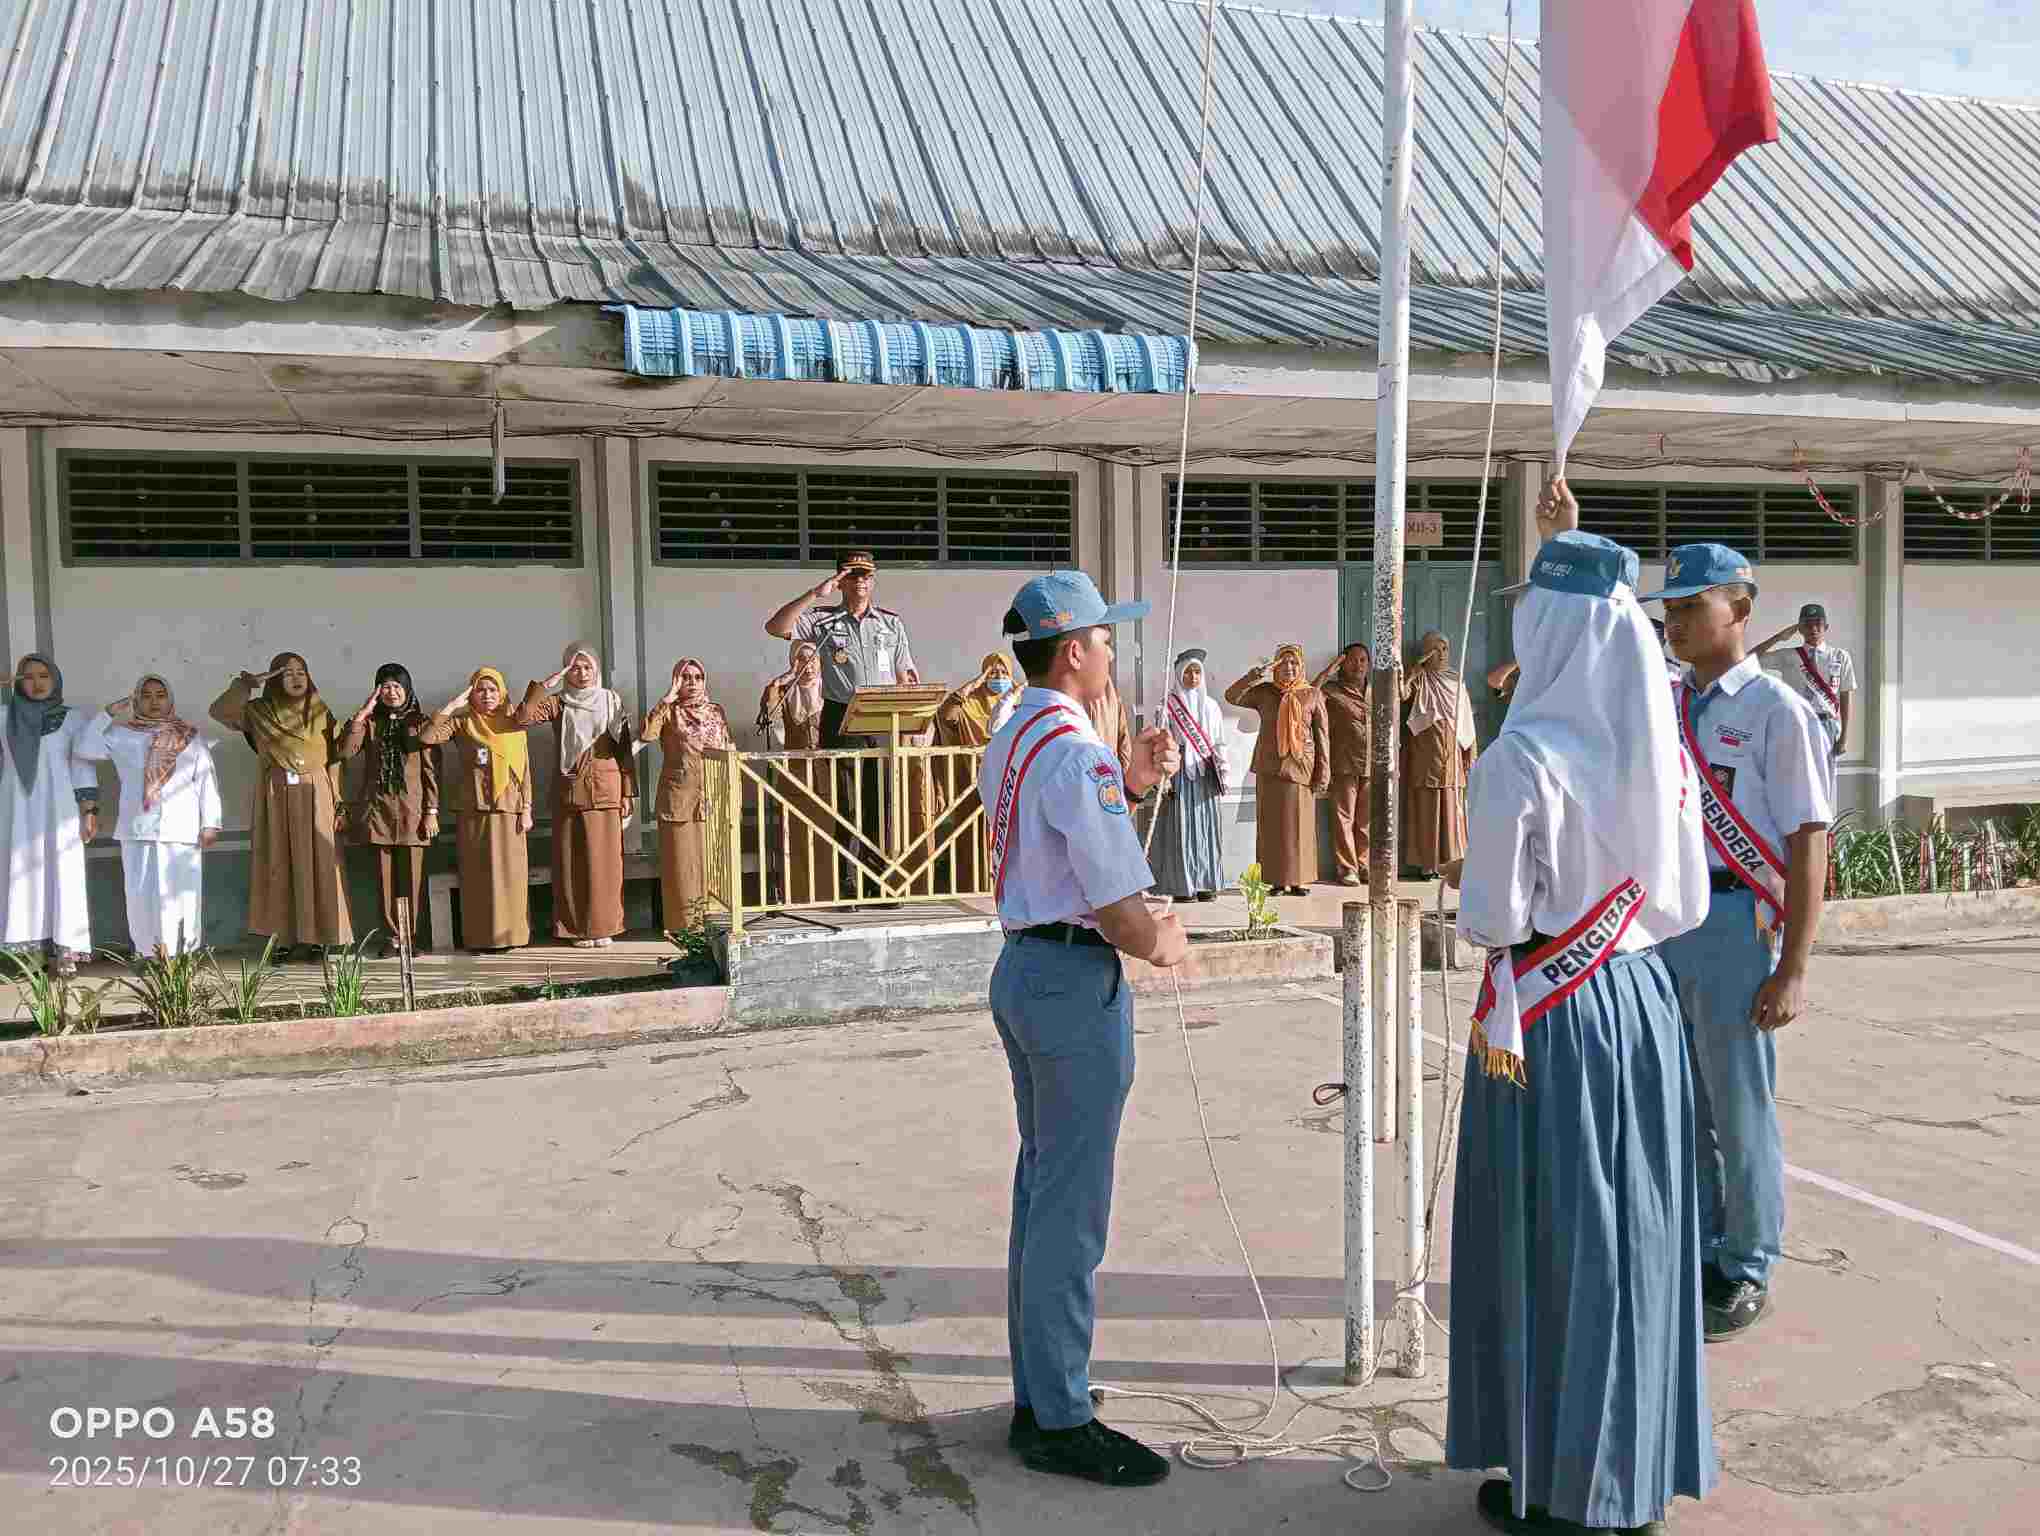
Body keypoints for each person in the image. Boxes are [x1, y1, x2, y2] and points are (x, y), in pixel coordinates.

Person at [1443, 513, 1714, 1536]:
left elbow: (1493, 919)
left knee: (1558, 1242)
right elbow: (1682, 902)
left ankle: (1564, 1491)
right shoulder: (1663, 755)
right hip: (1641, 1001)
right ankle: (1627, 1480)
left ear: (1548, 631)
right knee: (1636, 1239)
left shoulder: (1523, 757)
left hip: (1553, 1015)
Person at [983, 569, 1186, 1489]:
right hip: (1072, 977)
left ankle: (1042, 1388)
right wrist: (1165, 942)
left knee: (1042, 1189)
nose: (1113, 651)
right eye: (1105, 638)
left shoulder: (1018, 729)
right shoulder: (1078, 751)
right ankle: (1058, 1419)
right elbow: (1118, 907)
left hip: (1028, 966)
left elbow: (1061, 848)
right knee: (1072, 1207)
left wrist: (1131, 785)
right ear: (1074, 650)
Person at [1643, 539, 1833, 1341]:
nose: (1678, 622)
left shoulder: (1776, 711)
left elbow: (1807, 839)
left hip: (1736, 922)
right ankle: (1702, 1243)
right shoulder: (1671, 704)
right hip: (1671, 922)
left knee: (1738, 1103)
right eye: (1671, 610)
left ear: (1742, 611)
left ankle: (1748, 1261)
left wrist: (1792, 965)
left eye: (1694, 607)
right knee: (1682, 1106)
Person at [765, 550, 920, 898]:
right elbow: (777, 627)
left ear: (874, 579)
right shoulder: (823, 620)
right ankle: (848, 886)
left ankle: (879, 885)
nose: (860, 581)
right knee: (847, 807)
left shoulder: (890, 623)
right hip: (842, 717)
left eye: (866, 575)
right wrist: (815, 594)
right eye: (852, 575)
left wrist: (910, 684)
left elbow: (904, 670)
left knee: (880, 805)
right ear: (840, 581)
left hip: (883, 719)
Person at [210, 653, 352, 960]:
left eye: (301, 671)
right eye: (287, 674)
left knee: (319, 864)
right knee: (279, 863)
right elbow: (220, 711)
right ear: (275, 679)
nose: (296, 678)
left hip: (317, 794)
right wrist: (246, 685)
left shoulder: (320, 711)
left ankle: (318, 939)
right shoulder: (258, 711)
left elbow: (335, 761)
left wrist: (339, 803)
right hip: (276, 794)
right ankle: (284, 940)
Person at [75, 675, 223, 955]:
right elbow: (83, 747)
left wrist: (210, 823)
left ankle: (183, 954)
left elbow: (205, 780)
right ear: (136, 700)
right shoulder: (121, 735)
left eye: (160, 695)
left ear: (170, 699)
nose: (154, 701)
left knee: (182, 893)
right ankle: (148, 953)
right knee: (141, 894)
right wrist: (107, 714)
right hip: (138, 827)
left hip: (181, 828)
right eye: (146, 695)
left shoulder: (189, 736)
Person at [515, 643, 637, 948]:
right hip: (569, 791)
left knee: (605, 864)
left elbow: (624, 749)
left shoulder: (611, 700)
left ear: (596, 668)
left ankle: (604, 926)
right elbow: (522, 719)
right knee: (571, 862)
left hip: (606, 791)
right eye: (575, 667)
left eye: (587, 667)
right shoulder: (559, 703)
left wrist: (627, 792)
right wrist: (545, 686)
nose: (582, 673)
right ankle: (575, 929)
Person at [417, 668, 538, 952]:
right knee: (478, 878)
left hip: (510, 811)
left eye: (493, 689)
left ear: (502, 692)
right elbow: (427, 737)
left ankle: (513, 936)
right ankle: (480, 938)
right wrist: (453, 706)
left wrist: (527, 808)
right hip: (473, 812)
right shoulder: (463, 724)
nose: (487, 695)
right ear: (471, 693)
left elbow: (525, 770)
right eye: (480, 690)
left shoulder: (513, 723)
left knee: (512, 877)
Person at [1, 654, 98, 974]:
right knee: (20, 875)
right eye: (28, 677)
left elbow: (82, 765)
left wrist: (89, 811)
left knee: (64, 876)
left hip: (60, 811)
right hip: (16, 812)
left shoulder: (72, 719)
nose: (37, 682)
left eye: (44, 675)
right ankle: (26, 954)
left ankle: (66, 950)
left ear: (55, 679)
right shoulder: (4, 717)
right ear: (17, 682)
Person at [337, 663, 440, 955]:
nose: (392, 692)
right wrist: (362, 714)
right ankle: (391, 937)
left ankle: (410, 938)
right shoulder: (369, 724)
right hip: (378, 811)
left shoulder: (420, 721)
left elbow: (431, 769)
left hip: (413, 811)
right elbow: (346, 751)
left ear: (407, 689)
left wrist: (432, 809)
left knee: (412, 878)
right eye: (385, 687)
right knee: (383, 880)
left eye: (397, 686)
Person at [1223, 644, 1330, 896]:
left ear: (1301, 666)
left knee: (1300, 826)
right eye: (1283, 663)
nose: (1288, 668)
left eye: (1293, 663)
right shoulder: (1264, 692)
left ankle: (1300, 880)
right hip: (1270, 767)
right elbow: (1232, 696)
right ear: (1275, 667)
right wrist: (1254, 675)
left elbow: (1322, 737)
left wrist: (1323, 773)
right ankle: (1276, 880)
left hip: (1301, 767)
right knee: (1272, 827)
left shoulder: (1312, 694)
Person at [644, 658, 731, 932]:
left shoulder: (717, 711)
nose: (692, 683)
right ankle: (685, 929)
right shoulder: (669, 712)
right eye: (685, 677)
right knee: (682, 866)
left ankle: (715, 925)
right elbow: (647, 734)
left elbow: (728, 748)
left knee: (714, 864)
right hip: (679, 798)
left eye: (697, 677)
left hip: (714, 797)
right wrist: (667, 698)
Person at [929, 652, 1019, 893]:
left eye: (1003, 673)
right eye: (992, 673)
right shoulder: (970, 704)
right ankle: (974, 888)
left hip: (1011, 784)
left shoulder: (1019, 701)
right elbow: (946, 715)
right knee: (973, 839)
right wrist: (975, 684)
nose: (998, 677)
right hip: (973, 782)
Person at [756, 639, 838, 906]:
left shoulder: (832, 691)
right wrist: (781, 680)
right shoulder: (785, 692)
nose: (809, 665)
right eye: (802, 659)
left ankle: (827, 896)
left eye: (814, 659)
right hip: (795, 776)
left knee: (826, 837)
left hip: (826, 776)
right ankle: (798, 896)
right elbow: (768, 715)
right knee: (795, 837)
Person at [1149, 648, 1229, 902]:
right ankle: (1183, 884)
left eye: (1197, 672)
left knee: (1206, 827)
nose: (1193, 677)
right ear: (1178, 675)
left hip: (1205, 773)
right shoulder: (1167, 707)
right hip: (1180, 772)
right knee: (1180, 826)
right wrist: (1165, 776)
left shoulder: (1212, 707)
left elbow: (1218, 742)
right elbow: (1161, 743)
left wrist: (1223, 770)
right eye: (1188, 672)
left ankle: (1206, 882)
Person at [1754, 603, 1855, 795]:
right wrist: (1778, 637)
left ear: (1826, 626)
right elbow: (1749, 659)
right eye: (1808, 624)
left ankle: (1822, 824)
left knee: (1824, 782)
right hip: (1796, 724)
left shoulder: (1840, 657)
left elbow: (1846, 694)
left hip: (1827, 725)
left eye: (1818, 623)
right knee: (1796, 780)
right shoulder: (1789, 656)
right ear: (1800, 629)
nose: (1813, 629)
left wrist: (1844, 737)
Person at [1401, 630, 1477, 877]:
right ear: (1426, 653)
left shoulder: (1456, 680)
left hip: (1453, 753)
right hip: (1426, 753)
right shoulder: (1421, 679)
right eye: (1435, 648)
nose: (1441, 653)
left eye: (1445, 648)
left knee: (1452, 807)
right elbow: (1400, 695)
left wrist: (1470, 753)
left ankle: (1452, 862)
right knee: (1427, 808)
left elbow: (1467, 721)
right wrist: (1413, 673)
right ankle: (1428, 864)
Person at [1314, 643, 1372, 886]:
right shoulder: (1331, 690)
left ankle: (1365, 864)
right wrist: (1329, 670)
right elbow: (1310, 692)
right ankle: (1347, 868)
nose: (1357, 665)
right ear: (1342, 663)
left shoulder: (1376, 691)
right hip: (1344, 762)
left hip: (1372, 763)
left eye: (1362, 660)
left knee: (1367, 820)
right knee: (1343, 817)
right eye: (1352, 660)